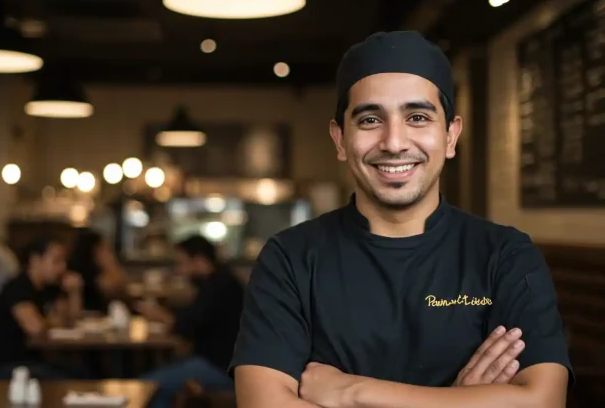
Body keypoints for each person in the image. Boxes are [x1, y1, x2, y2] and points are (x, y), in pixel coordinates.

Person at [231, 31, 572, 408]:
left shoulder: (505, 255)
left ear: (450, 135)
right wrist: (456, 403)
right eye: (370, 119)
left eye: (418, 117)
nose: (394, 142)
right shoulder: (290, 258)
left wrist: (352, 392)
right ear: (340, 139)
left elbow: (542, 401)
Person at [135, 235, 244, 408]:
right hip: (220, 363)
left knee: (145, 386)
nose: (180, 269)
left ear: (199, 260)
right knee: (159, 391)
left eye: (182, 262)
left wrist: (159, 315)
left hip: (220, 366)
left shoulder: (218, 286)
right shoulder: (220, 281)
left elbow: (184, 325)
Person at [0, 237, 86, 380]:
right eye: (56, 261)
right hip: (5, 366)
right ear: (35, 260)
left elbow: (71, 320)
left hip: (30, 362)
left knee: (82, 372)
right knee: (71, 377)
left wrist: (75, 292)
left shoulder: (48, 288)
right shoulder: (18, 287)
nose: (63, 267)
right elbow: (35, 328)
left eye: (64, 261)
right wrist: (52, 321)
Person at [67, 229, 126, 311]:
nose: (109, 252)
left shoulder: (87, 272)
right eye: (105, 248)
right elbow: (119, 287)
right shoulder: (92, 278)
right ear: (94, 251)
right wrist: (109, 262)